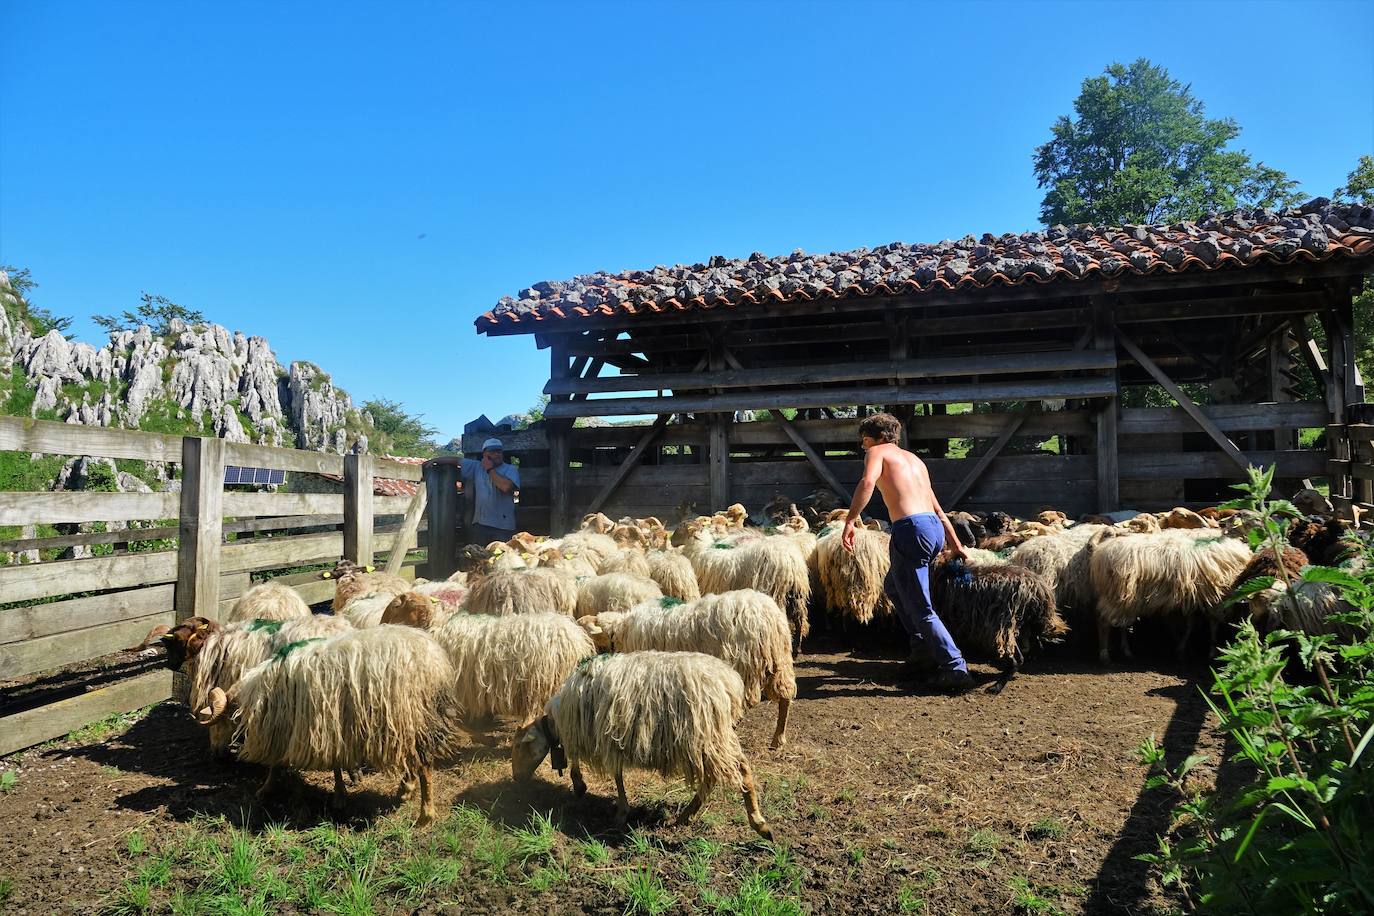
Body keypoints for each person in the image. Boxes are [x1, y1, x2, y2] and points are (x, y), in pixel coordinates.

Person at [841, 412, 974, 692]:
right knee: (894, 586)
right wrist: (955, 544)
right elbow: (938, 509)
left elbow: (867, 483)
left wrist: (851, 520)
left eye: (864, 443)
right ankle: (922, 648)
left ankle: (955, 668)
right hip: (932, 528)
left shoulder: (876, 452)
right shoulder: (915, 460)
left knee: (921, 607)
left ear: (869, 439)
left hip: (910, 529)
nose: (864, 448)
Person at [423, 437, 521, 544]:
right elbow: (456, 460)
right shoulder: (477, 467)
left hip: (503, 526)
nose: (497, 454)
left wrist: (490, 469)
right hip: (481, 525)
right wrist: (435, 460)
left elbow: (505, 487)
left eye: (499, 451)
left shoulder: (510, 469)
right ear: (485, 455)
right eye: (492, 452)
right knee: (478, 558)